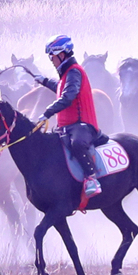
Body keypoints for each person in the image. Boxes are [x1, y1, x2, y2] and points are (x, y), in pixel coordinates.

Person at [33, 35, 102, 197]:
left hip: (82, 125)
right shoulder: (67, 74)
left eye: (52, 56)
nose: (51, 60)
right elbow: (61, 88)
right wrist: (44, 81)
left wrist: (47, 112)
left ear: (62, 54)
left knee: (77, 144)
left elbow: (68, 96)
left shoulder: (74, 72)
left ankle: (91, 178)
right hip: (67, 126)